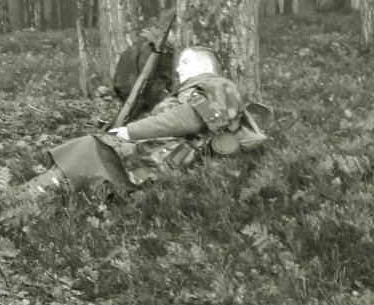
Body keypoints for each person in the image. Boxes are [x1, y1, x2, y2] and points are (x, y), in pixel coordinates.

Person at [21, 46, 267, 194]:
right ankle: (32, 193)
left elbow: (188, 119)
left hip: (166, 160)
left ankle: (29, 195)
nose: (178, 69)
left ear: (204, 64)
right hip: (163, 156)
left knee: (93, 147)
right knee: (92, 151)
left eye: (185, 62)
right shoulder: (200, 89)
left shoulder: (216, 84)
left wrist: (129, 132)